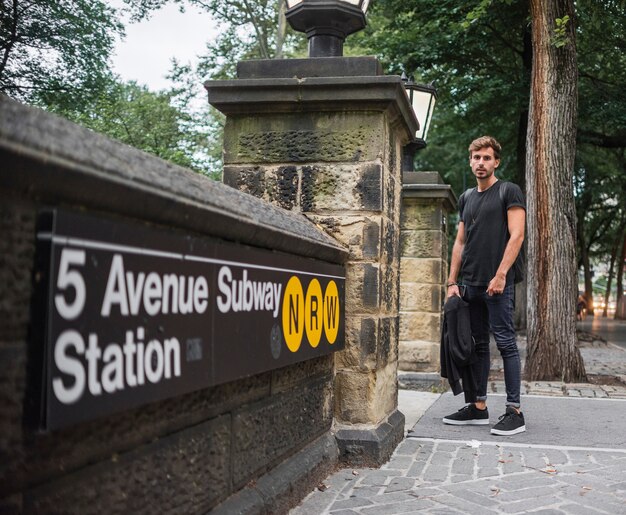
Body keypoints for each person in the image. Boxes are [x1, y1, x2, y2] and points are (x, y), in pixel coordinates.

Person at [443, 136, 526, 436]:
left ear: (496, 162)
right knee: (478, 346)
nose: (481, 162)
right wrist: (453, 281)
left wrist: (502, 274)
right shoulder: (466, 197)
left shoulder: (508, 191)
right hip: (471, 284)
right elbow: (460, 242)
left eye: (487, 158)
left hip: (497, 284)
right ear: (470, 161)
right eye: (476, 157)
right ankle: (478, 407)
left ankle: (514, 411)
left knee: (505, 344)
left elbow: (517, 235)